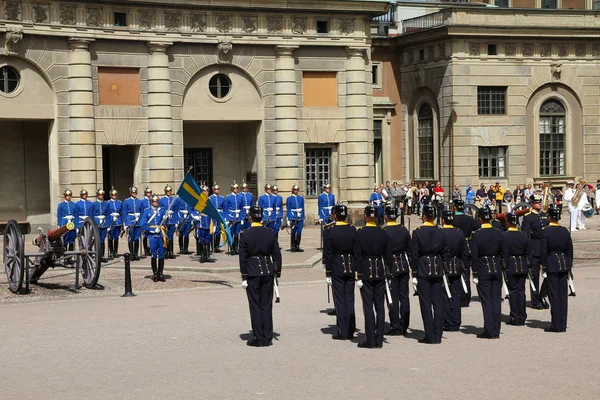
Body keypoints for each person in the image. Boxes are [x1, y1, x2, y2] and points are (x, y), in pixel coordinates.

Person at [239, 205, 282, 347]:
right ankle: (268, 336)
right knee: (266, 305)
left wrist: (244, 276)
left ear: (250, 217)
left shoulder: (245, 234)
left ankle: (259, 337)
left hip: (252, 272)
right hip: (267, 271)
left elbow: (243, 258)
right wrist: (277, 271)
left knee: (255, 306)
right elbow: (277, 253)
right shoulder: (269, 233)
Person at [354, 205, 390, 348]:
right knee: (380, 306)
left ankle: (370, 339)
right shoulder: (383, 232)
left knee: (368, 306)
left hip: (366, 270)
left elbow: (357, 256)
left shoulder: (360, 233)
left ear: (366, 216)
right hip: (380, 270)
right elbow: (388, 255)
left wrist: (358, 275)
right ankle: (379, 338)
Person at [410, 204, 447, 344]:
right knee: (438, 302)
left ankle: (429, 335)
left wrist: (414, 272)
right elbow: (445, 252)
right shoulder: (441, 231)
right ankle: (438, 334)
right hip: (437, 266)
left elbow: (414, 254)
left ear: (424, 216)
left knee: (426, 303)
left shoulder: (418, 232)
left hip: (423, 267)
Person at [323, 204, 357, 340]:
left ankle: (343, 331)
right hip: (350, 266)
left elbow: (328, 254)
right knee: (349, 299)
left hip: (337, 267)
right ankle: (351, 328)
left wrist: (328, 272)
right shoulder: (352, 229)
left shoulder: (330, 230)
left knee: (340, 300)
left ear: (334, 215)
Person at [471, 206, 504, 339]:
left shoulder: (476, 234)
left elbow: (474, 255)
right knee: (496, 299)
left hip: (483, 267)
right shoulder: (498, 232)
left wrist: (475, 272)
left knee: (487, 301)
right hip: (496, 265)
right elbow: (503, 251)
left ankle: (489, 330)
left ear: (479, 219)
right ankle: (496, 329)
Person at [540, 207, 573, 333]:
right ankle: (563, 323)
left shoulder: (545, 232)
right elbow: (570, 249)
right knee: (562, 296)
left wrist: (543, 266)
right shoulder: (564, 231)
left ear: (549, 217)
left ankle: (556, 324)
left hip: (552, 263)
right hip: (564, 263)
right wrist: (569, 264)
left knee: (554, 295)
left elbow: (543, 251)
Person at [384, 205, 411, 336]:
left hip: (390, 266)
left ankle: (395, 325)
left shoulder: (384, 231)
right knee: (404, 296)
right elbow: (410, 250)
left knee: (393, 297)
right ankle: (404, 324)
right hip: (403, 264)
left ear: (386, 216)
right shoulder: (403, 230)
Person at [440, 210, 468, 332]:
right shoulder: (459, 233)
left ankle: (448, 321)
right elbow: (464, 252)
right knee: (456, 295)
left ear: (443, 220)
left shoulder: (440, 233)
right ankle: (456, 321)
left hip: (443, 264)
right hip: (456, 264)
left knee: (444, 295)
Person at [502, 213, 530, 326]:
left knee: (513, 292)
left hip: (511, 265)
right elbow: (528, 251)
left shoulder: (504, 235)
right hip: (522, 264)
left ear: (508, 222)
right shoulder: (523, 235)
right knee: (521, 291)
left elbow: (504, 252)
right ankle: (522, 315)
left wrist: (505, 265)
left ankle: (515, 316)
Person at [521, 194, 549, 310]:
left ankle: (542, 295)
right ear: (531, 203)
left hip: (545, 249)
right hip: (534, 249)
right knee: (535, 276)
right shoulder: (528, 217)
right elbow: (525, 236)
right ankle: (535, 300)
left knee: (549, 275)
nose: (539, 204)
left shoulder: (544, 215)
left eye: (540, 202)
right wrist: (527, 253)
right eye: (536, 202)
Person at [452, 199, 480, 308]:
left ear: (454, 207)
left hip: (455, 246)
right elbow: (477, 228)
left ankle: (457, 296)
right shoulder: (469, 219)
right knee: (466, 272)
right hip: (467, 245)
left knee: (455, 272)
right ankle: (466, 297)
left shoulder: (452, 219)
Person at [141, 194, 166, 282]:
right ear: (151, 202)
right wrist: (150, 230)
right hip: (152, 235)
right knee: (154, 254)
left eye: (157, 201)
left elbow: (165, 221)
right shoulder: (147, 211)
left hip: (160, 235)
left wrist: (166, 217)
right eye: (154, 201)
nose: (156, 203)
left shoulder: (162, 210)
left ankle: (160, 273)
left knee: (162, 254)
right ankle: (155, 273)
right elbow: (143, 224)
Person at [192, 185, 213, 263]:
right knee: (201, 240)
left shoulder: (210, 200)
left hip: (208, 222)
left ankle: (207, 256)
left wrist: (214, 224)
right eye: (204, 191)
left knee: (208, 240)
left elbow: (213, 212)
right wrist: (195, 216)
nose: (206, 192)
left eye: (207, 191)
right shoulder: (198, 200)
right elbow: (192, 210)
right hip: (201, 222)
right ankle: (202, 256)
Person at [58, 189, 78, 265]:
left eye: (69, 196)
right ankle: (65, 258)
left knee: (72, 241)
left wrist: (77, 227)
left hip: (72, 224)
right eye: (67, 196)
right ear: (65, 196)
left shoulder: (74, 205)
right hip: (65, 224)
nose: (68, 197)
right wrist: (59, 225)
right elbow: (59, 216)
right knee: (65, 242)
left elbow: (76, 216)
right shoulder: (61, 205)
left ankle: (70, 258)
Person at [122, 185, 143, 261]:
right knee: (131, 238)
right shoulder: (126, 201)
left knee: (136, 238)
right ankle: (131, 254)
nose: (134, 193)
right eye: (133, 192)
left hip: (138, 221)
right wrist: (125, 223)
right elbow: (124, 212)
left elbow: (142, 212)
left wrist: (141, 220)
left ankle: (135, 254)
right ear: (130, 193)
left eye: (135, 192)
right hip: (130, 219)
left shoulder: (140, 201)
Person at [159, 185, 179, 259]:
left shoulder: (174, 200)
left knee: (170, 237)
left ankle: (170, 252)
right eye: (167, 191)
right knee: (164, 237)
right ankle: (165, 252)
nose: (169, 192)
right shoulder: (161, 200)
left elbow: (176, 211)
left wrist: (176, 221)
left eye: (170, 191)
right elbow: (160, 209)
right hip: (165, 221)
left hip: (172, 220)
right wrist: (164, 214)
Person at [92, 188, 110, 263]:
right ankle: (97, 256)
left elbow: (108, 215)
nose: (101, 196)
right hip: (96, 223)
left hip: (104, 223)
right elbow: (91, 215)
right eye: (100, 195)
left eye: (102, 195)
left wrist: (108, 225)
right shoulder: (93, 204)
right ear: (97, 195)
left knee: (102, 241)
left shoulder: (106, 204)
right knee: (97, 240)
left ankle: (102, 256)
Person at [286, 184, 305, 252]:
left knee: (299, 232)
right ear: (293, 191)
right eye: (295, 190)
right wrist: (288, 218)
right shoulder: (289, 199)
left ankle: (297, 246)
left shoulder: (301, 198)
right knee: (293, 231)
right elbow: (288, 209)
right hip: (293, 216)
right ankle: (293, 246)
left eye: (297, 190)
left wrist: (303, 217)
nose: (296, 191)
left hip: (300, 216)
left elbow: (303, 208)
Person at [225, 183, 243, 254]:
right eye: (235, 188)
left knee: (236, 233)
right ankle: (231, 248)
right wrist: (226, 218)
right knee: (231, 233)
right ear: (232, 189)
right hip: (231, 216)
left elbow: (242, 208)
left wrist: (241, 217)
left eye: (237, 188)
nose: (236, 190)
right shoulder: (228, 197)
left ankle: (236, 247)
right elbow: (226, 208)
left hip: (238, 217)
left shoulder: (240, 197)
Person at [209, 184, 225, 252]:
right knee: (212, 231)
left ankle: (217, 246)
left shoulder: (222, 198)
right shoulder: (211, 198)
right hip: (213, 215)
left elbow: (224, 208)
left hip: (220, 215)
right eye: (216, 189)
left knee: (218, 231)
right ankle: (212, 246)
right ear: (213, 190)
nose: (217, 190)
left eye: (218, 189)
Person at [107, 188, 123, 259]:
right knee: (111, 237)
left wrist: (122, 221)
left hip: (118, 221)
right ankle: (111, 251)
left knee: (116, 237)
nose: (114, 196)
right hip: (111, 220)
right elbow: (107, 213)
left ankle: (115, 252)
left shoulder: (119, 202)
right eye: (113, 195)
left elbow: (121, 212)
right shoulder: (107, 203)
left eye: (115, 195)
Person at [141, 187, 153, 256]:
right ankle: (146, 250)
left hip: (152, 219)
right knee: (145, 235)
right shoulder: (143, 201)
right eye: (148, 192)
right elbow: (142, 211)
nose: (149, 194)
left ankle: (151, 249)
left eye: (150, 192)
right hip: (146, 219)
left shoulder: (152, 199)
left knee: (151, 235)